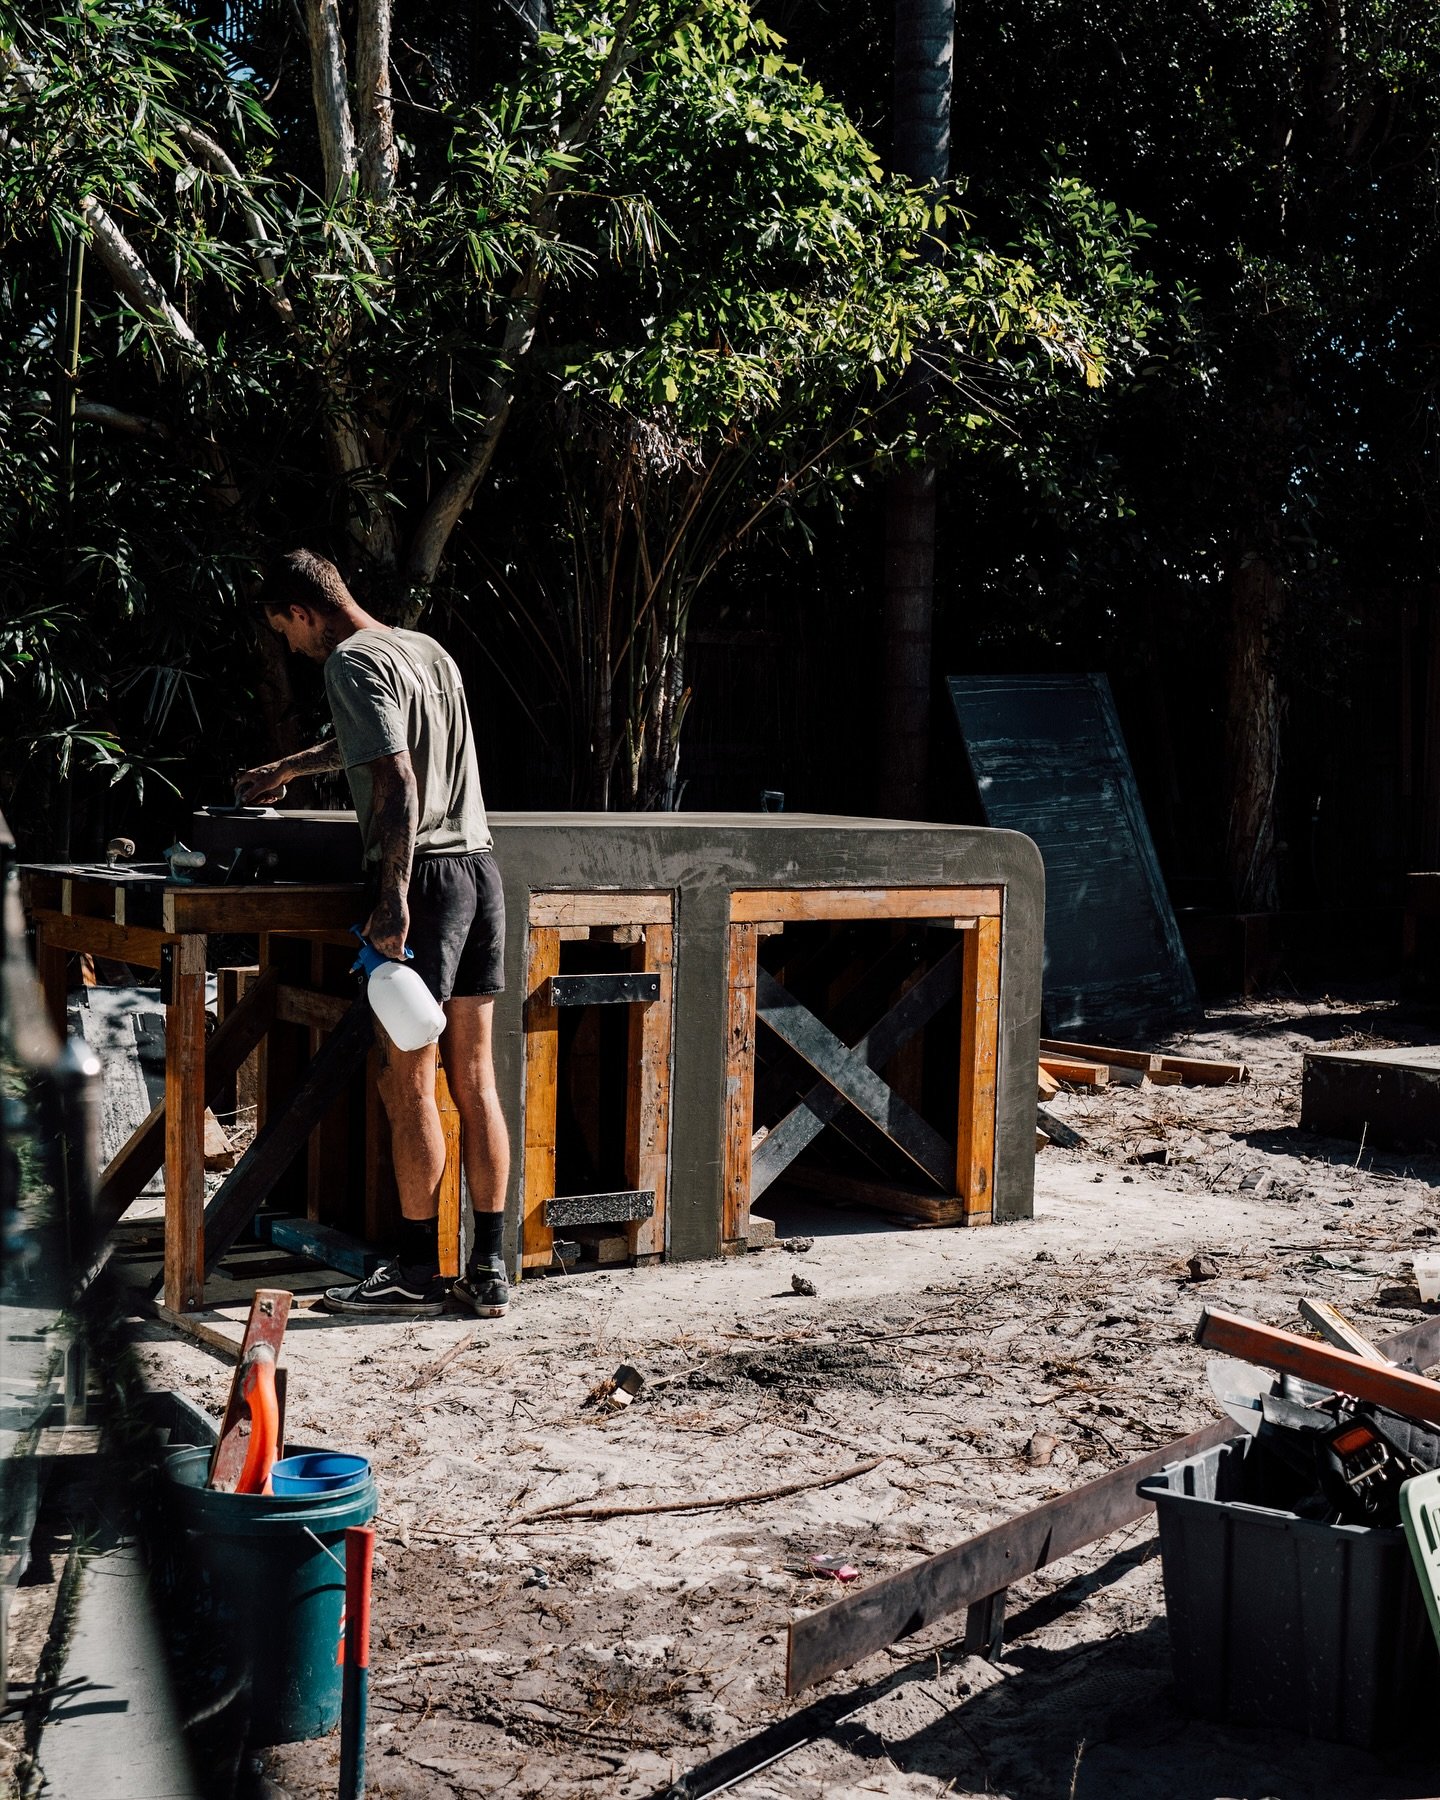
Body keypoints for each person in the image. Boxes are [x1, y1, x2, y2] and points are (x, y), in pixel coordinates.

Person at [236, 549, 511, 1320]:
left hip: (421, 882)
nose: (289, 647)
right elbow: (384, 746)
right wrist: (290, 769)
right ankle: (487, 1272)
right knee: (477, 1079)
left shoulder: (349, 663)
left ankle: (417, 1271)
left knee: (409, 1082)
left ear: (301, 612)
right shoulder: (423, 649)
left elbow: (395, 778)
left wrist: (390, 901)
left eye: (283, 631)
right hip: (482, 870)